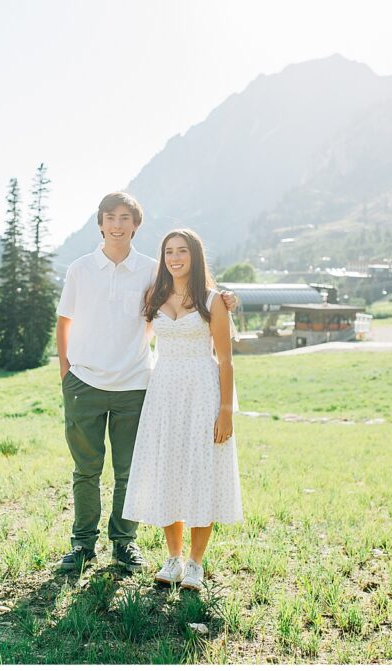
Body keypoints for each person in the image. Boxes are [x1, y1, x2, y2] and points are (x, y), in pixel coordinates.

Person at [55, 194, 236, 574]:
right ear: (100, 223)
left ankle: (125, 545)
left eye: (125, 218)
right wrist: (66, 372)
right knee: (87, 469)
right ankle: (83, 545)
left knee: (129, 471)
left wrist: (229, 299)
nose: (117, 224)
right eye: (110, 217)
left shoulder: (152, 272)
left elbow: (199, 297)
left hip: (139, 384)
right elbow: (64, 321)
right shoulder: (83, 269)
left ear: (136, 225)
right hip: (89, 382)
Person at [122, 228, 243, 592]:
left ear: (194, 256)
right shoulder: (153, 296)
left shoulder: (213, 300)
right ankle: (172, 558)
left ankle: (195, 563)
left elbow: (225, 361)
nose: (175, 258)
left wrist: (226, 411)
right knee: (168, 472)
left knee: (201, 471)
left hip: (202, 391)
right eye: (169, 252)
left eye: (182, 252)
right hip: (164, 393)